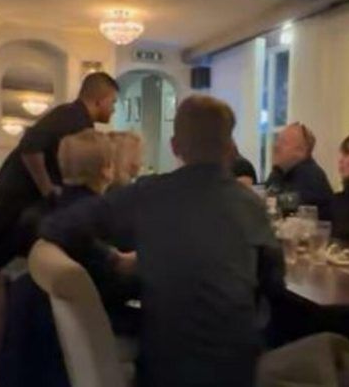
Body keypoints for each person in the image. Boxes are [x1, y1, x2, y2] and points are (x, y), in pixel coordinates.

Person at [37, 95, 285, 387]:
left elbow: (56, 226)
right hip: (234, 372)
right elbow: (274, 283)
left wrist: (112, 259)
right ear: (230, 148)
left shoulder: (147, 195)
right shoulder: (250, 205)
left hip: (163, 369)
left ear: (175, 147)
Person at [0, 130, 136, 387]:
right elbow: (112, 284)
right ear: (107, 170)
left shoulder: (46, 211)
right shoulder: (97, 218)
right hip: (87, 326)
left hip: (44, 335)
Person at [0, 72, 119, 271]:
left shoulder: (77, 119)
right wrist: (47, 189)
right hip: (18, 196)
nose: (113, 109)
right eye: (113, 102)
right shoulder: (71, 116)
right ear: (99, 101)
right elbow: (30, 147)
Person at [266, 122, 333, 218]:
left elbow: (289, 212)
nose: (276, 146)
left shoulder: (311, 175)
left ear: (301, 151)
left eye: (284, 142)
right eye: (277, 140)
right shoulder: (278, 173)